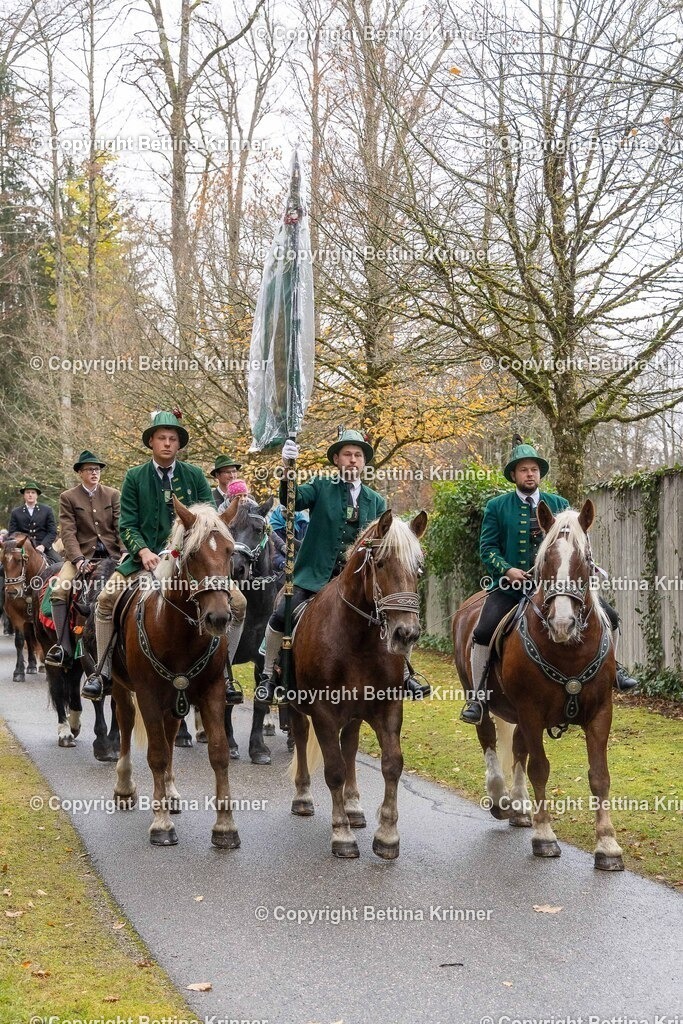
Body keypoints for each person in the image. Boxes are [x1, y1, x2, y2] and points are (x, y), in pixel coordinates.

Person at [460, 437, 638, 725]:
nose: (529, 474)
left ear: (540, 473)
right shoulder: (497, 506)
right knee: (482, 631)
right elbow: (487, 549)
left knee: (611, 616)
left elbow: (575, 545)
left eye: (534, 469)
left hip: (557, 586)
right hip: (512, 587)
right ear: (514, 476)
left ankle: (614, 669)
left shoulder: (559, 504)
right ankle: (478, 697)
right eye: (523, 470)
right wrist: (508, 570)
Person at [256, 429, 430, 706]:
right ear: (337, 459)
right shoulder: (321, 486)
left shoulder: (376, 501)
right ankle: (268, 675)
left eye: (358, 455)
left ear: (364, 462)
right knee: (280, 614)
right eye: (347, 455)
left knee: (396, 614)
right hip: (314, 576)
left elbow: (383, 544)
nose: (352, 460)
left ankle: (406, 673)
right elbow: (293, 501)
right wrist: (288, 469)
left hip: (359, 582)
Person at [81, 411, 247, 700]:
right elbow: (127, 524)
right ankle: (102, 672)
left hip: (191, 561)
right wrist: (143, 550)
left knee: (240, 602)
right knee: (106, 600)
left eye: (173, 439)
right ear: (152, 442)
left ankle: (225, 671)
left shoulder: (194, 474)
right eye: (162, 438)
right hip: (144, 558)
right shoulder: (134, 476)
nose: (167, 443)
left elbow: (210, 522)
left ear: (179, 445)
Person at [44, 450, 123, 669]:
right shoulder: (68, 497)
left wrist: (124, 552)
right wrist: (78, 559)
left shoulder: (113, 494)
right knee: (59, 590)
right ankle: (63, 647)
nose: (94, 473)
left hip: (112, 556)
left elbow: (120, 526)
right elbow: (68, 532)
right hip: (82, 557)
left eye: (97, 469)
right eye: (89, 469)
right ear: (80, 473)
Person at [8, 482, 59, 563]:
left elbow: (52, 532)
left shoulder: (47, 510)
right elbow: (12, 533)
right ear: (24, 495)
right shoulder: (16, 512)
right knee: (3, 569)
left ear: (37, 495)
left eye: (33, 492)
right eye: (27, 492)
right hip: (22, 549)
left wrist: (43, 546)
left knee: (60, 565)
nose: (30, 495)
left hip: (43, 548)